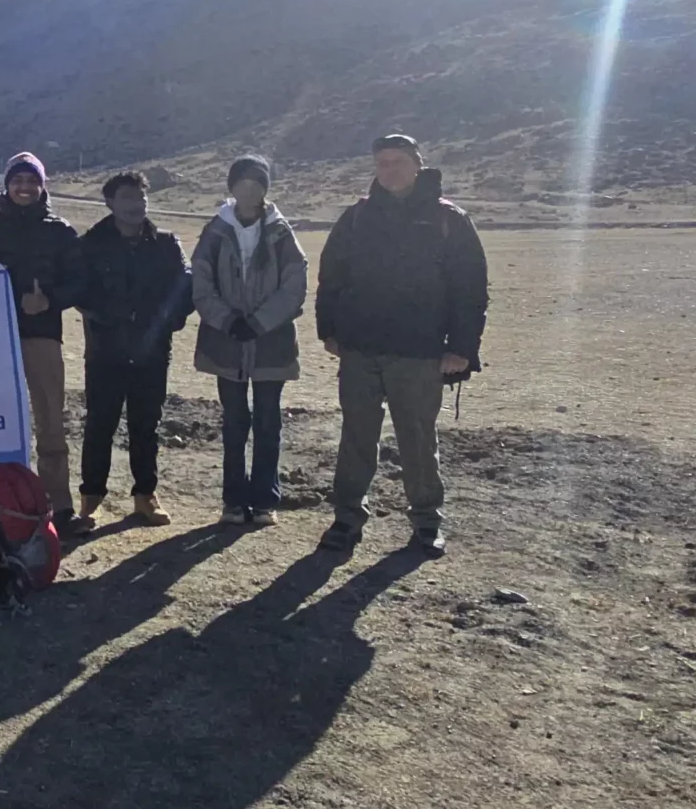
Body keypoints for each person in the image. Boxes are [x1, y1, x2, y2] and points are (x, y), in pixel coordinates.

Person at [315, 133, 489, 557]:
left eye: (397, 161)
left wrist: (461, 348)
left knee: (417, 439)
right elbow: (331, 276)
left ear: (418, 164)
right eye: (382, 163)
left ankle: (427, 522)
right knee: (356, 436)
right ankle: (347, 519)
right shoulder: (357, 217)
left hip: (419, 352)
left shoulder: (448, 219)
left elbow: (470, 290)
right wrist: (329, 330)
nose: (389, 170)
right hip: (361, 349)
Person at [0, 151, 83, 521]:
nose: (25, 187)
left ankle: (58, 505)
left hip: (42, 336)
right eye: (17, 180)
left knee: (50, 420)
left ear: (42, 186)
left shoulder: (61, 232)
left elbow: (80, 282)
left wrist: (49, 301)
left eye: (32, 180)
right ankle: (1, 502)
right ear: (7, 185)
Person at [191, 154, 308, 527]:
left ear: (265, 189)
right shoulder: (216, 230)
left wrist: (258, 323)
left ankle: (264, 500)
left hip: (270, 342)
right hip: (226, 343)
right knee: (234, 422)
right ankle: (233, 500)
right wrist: (227, 321)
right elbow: (201, 282)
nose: (249, 190)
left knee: (268, 422)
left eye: (257, 183)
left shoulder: (280, 232)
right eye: (242, 182)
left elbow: (294, 285)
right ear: (232, 187)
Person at [73, 170, 192, 531]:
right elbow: (80, 292)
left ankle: (145, 495)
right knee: (100, 425)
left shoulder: (166, 244)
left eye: (141, 197)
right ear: (110, 203)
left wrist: (166, 321)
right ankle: (91, 500)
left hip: (151, 352)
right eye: (127, 198)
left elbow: (184, 287)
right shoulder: (90, 244)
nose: (136, 205)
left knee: (146, 425)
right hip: (106, 352)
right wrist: (117, 316)